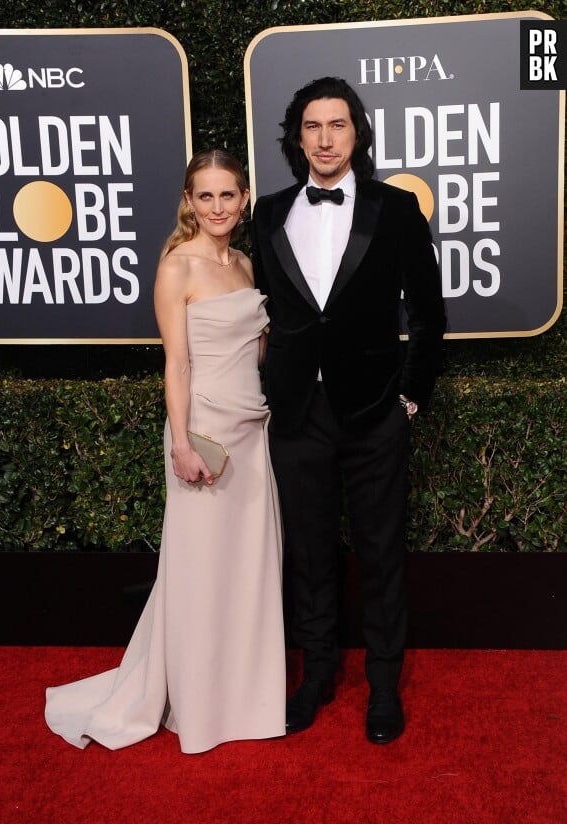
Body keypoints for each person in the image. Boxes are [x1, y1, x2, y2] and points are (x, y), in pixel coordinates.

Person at [45, 149, 286, 754]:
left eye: (227, 195)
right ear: (188, 201)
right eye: (204, 196)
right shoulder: (177, 267)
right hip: (202, 433)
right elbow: (176, 364)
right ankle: (202, 705)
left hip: (250, 433)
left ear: (245, 197)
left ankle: (245, 697)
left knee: (248, 569)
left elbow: (254, 353)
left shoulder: (246, 266)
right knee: (201, 572)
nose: (216, 207)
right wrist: (179, 443)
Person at [251, 77, 446, 744]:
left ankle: (385, 687)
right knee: (308, 556)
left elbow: (429, 316)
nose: (326, 137)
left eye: (338, 124)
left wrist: (408, 398)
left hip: (373, 414)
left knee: (381, 553)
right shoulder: (268, 214)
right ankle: (316, 677)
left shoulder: (395, 211)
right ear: (297, 136)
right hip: (298, 413)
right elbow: (263, 317)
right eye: (313, 125)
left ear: (357, 133)